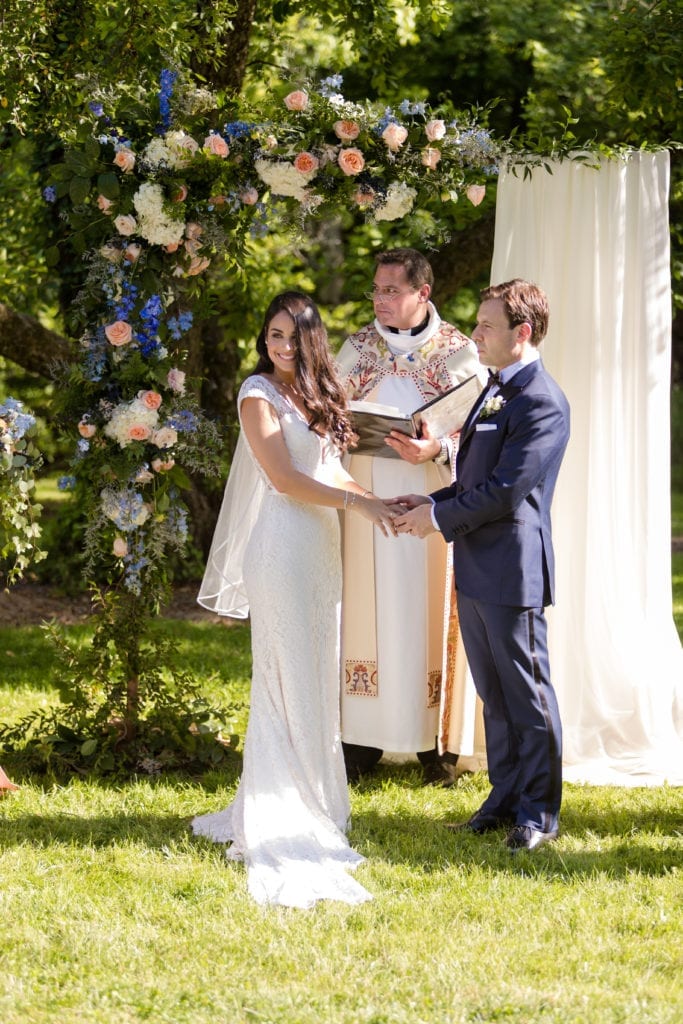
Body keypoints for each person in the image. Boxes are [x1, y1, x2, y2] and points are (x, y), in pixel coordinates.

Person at [192, 292, 397, 908]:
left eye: (290, 337)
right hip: (280, 546)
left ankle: (318, 795)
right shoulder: (258, 393)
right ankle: (283, 804)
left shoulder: (318, 396)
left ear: (311, 340)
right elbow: (283, 479)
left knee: (316, 670)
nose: (280, 346)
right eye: (273, 334)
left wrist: (377, 500)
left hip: (321, 549)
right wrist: (359, 504)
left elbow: (329, 472)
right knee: (283, 674)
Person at [394, 279, 570, 851]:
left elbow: (504, 492)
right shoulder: (493, 390)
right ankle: (503, 798)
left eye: (487, 325)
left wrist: (438, 521)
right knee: (495, 694)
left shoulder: (542, 402)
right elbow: (473, 480)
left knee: (528, 693)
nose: (476, 333)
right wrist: (431, 502)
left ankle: (539, 814)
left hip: (512, 571)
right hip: (474, 567)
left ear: (523, 333)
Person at [336, 248, 485, 783]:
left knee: (423, 615)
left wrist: (438, 450)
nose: (379, 301)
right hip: (365, 501)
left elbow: (484, 434)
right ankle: (361, 737)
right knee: (365, 614)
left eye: (391, 291)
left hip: (431, 500)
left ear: (423, 293)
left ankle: (435, 743)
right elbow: (324, 411)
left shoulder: (460, 353)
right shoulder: (357, 348)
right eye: (376, 290)